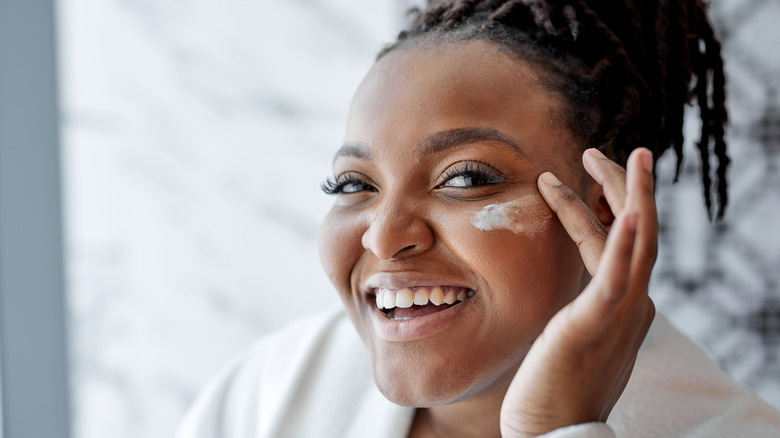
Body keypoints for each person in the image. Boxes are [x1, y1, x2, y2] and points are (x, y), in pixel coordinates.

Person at [176, 1, 780, 437]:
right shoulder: (270, 393)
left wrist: (560, 428)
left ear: (603, 203)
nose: (384, 235)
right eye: (353, 184)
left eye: (464, 178)